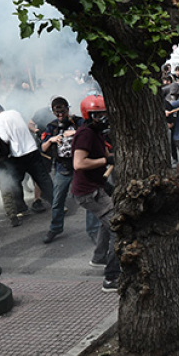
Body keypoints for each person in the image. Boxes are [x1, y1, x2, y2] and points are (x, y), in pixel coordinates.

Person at [71, 94, 119, 292]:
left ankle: (99, 257)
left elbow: (104, 155)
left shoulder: (97, 132)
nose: (103, 118)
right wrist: (105, 162)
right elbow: (79, 163)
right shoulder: (86, 134)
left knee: (107, 220)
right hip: (89, 192)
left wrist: (114, 156)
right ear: (88, 115)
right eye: (98, 115)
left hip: (98, 185)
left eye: (104, 114)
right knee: (119, 227)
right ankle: (111, 277)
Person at [40, 97, 84, 244]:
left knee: (91, 197)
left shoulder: (78, 122)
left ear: (67, 109)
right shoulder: (52, 126)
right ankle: (55, 227)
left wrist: (75, 133)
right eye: (57, 113)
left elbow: (90, 133)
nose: (60, 116)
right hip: (62, 167)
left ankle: (96, 229)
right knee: (57, 201)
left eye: (62, 112)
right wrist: (52, 139)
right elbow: (43, 147)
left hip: (81, 166)